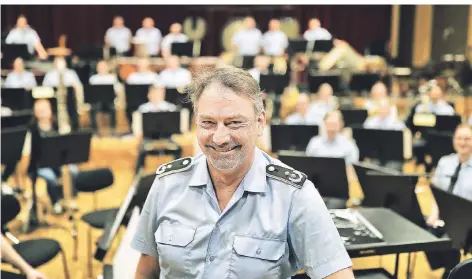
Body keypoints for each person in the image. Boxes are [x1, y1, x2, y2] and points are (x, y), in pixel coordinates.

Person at [131, 66, 354, 279]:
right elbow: (146, 271)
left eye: (234, 123)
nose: (219, 138)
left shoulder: (295, 195)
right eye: (208, 123)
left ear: (260, 123)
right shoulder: (167, 183)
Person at [425, 124, 472, 278]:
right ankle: (447, 266)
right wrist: (434, 214)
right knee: (422, 226)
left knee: (451, 237)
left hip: (467, 219)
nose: (462, 143)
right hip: (446, 214)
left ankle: (451, 271)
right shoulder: (445, 162)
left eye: (467, 139)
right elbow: (437, 193)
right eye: (459, 138)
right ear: (453, 140)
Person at [27, 99, 79, 214]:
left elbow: (66, 146)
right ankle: (56, 201)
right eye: (39, 111)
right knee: (51, 178)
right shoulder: (32, 129)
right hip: (40, 164)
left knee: (73, 171)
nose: (43, 113)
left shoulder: (57, 124)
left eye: (45, 110)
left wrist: (66, 133)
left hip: (58, 161)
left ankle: (70, 199)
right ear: (35, 113)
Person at [132, 85, 178, 175]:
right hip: (148, 139)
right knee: (141, 151)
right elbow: (137, 127)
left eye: (159, 93)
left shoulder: (171, 108)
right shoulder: (142, 109)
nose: (156, 96)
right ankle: (137, 177)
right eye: (154, 93)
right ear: (149, 95)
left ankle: (177, 175)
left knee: (178, 149)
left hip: (167, 139)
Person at [88, 60, 118, 133]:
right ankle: (94, 131)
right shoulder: (93, 79)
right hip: (97, 101)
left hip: (109, 101)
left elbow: (117, 90)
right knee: (93, 108)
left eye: (103, 66)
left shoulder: (112, 78)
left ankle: (113, 130)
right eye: (100, 66)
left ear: (107, 68)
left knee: (112, 108)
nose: (101, 68)